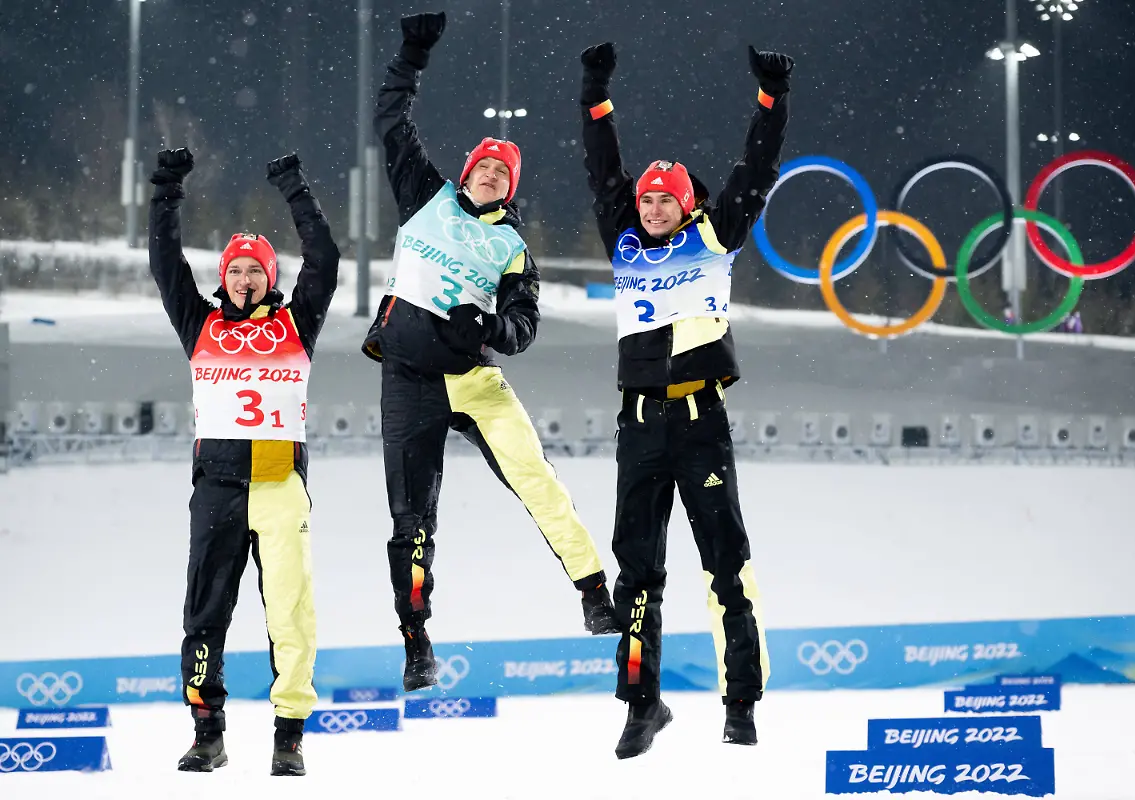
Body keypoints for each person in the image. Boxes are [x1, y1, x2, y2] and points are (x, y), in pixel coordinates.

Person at [361, 10, 622, 694]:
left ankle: (594, 592)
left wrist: (489, 326)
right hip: (409, 380)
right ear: (468, 172)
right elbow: (391, 121)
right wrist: (412, 54)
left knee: (537, 479)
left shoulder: (513, 248)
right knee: (412, 522)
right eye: (484, 168)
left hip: (474, 380)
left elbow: (523, 327)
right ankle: (416, 641)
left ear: (511, 188)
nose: (492, 177)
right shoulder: (426, 195)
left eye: (503, 175)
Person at [578, 41, 792, 758]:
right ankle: (642, 704)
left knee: (726, 566)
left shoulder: (715, 235)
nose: (653, 207)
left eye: (666, 198)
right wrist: (595, 91)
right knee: (638, 574)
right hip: (640, 426)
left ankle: (741, 704)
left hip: (701, 423)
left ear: (688, 203)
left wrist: (771, 100)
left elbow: (756, 170)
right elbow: (602, 166)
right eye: (647, 198)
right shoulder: (624, 242)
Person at [148, 147, 340, 777]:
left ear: (270, 276)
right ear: (223, 278)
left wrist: (294, 186)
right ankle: (208, 733)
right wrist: (168, 189)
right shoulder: (199, 325)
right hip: (218, 489)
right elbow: (165, 263)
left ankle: (289, 737)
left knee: (290, 613)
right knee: (205, 612)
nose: (245, 279)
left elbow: (325, 258)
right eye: (235, 270)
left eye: (256, 269)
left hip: (281, 486)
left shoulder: (296, 324)